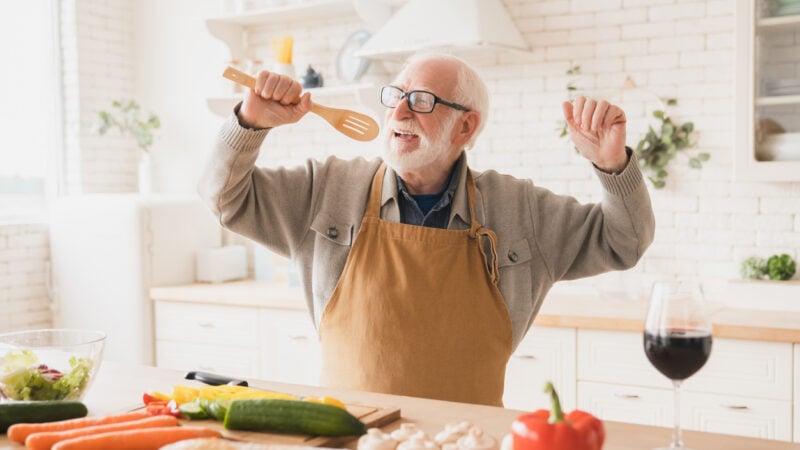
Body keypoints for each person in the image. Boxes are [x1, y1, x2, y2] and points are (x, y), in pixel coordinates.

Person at [199, 52, 655, 406]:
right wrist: (250, 123)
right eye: (395, 95)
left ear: (466, 126)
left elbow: (625, 241)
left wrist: (611, 164)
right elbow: (223, 198)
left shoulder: (520, 209)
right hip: (350, 437)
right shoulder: (327, 189)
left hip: (469, 441)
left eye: (422, 101)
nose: (399, 112)